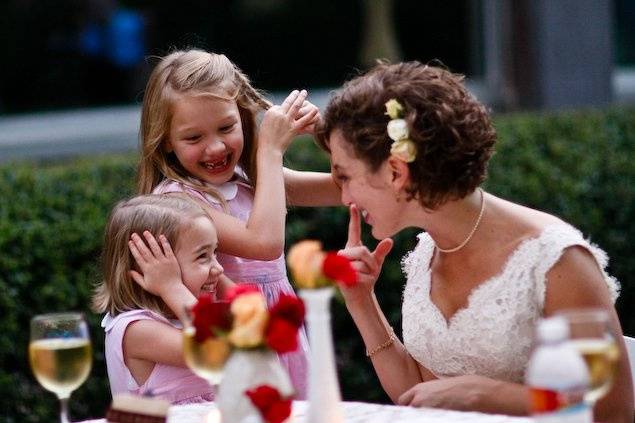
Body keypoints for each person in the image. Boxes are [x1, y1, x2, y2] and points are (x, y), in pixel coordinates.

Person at [315, 61, 634, 422]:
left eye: (345, 177)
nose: (344, 199)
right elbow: (417, 392)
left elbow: (612, 410)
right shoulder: (427, 252)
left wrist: (487, 395)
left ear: (395, 171)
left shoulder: (555, 259)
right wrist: (361, 303)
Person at [137, 49, 341, 398]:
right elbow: (263, 244)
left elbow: (345, 187)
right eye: (193, 138)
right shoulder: (176, 200)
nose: (215, 147)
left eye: (226, 128)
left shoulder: (249, 177)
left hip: (278, 333)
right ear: (166, 141)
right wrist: (271, 150)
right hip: (236, 342)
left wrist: (327, 137)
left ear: (243, 119)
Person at [92, 193, 227, 404]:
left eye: (215, 252)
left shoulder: (188, 314)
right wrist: (171, 286)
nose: (219, 268)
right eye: (202, 256)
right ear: (147, 269)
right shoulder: (135, 330)